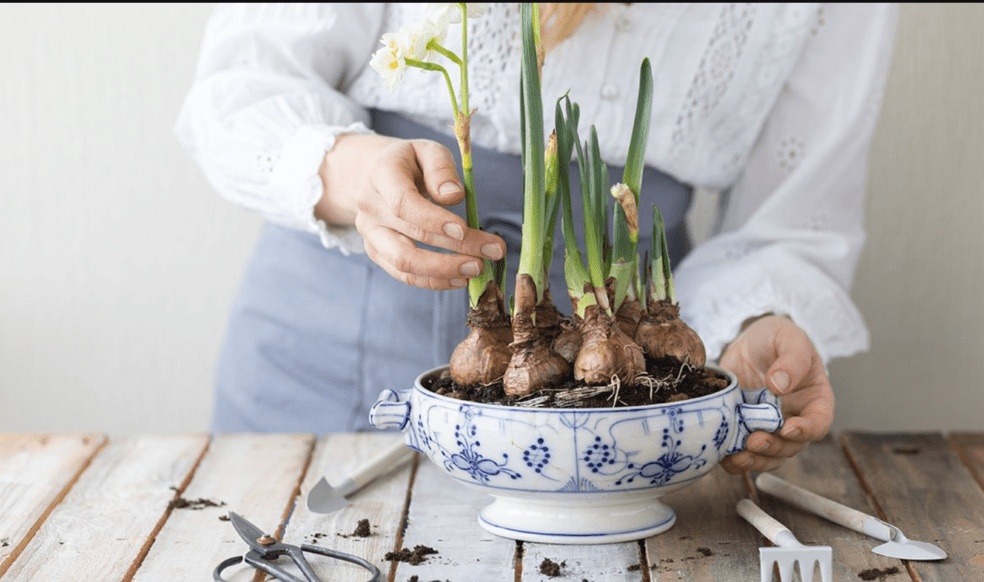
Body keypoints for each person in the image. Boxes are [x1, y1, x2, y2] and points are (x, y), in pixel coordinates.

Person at [174, 3, 898, 474]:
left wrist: (756, 323)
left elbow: (791, 223)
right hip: (331, 373)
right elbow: (237, 88)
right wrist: (358, 174)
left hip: (621, 403)